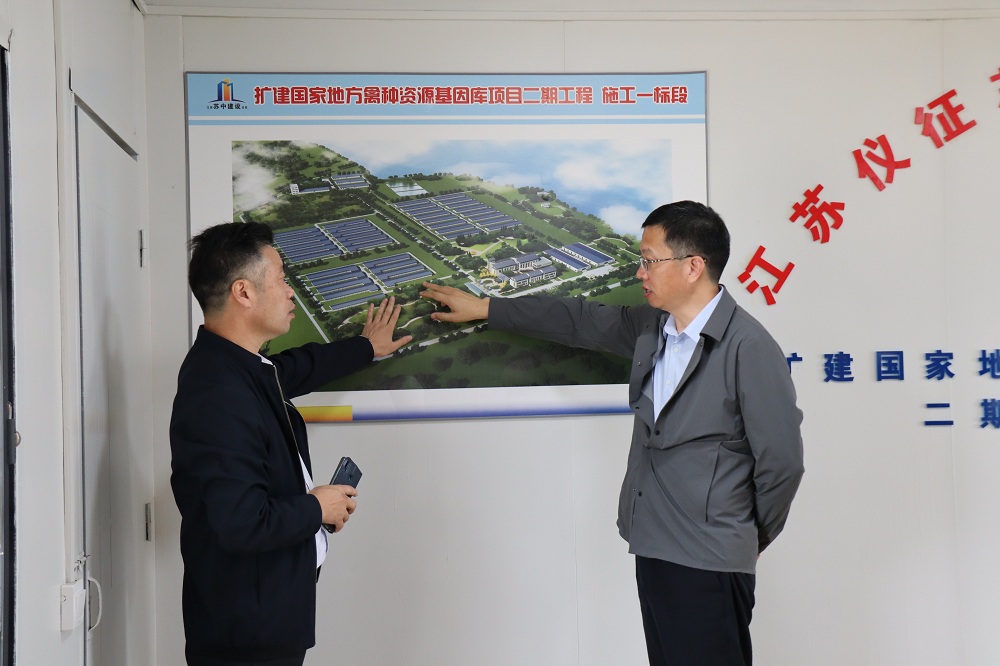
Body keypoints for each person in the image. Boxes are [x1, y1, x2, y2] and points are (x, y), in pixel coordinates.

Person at [420, 200, 803, 666]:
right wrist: (486, 307)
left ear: (693, 266)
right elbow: (576, 320)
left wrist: (746, 537)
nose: (640, 272)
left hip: (710, 557)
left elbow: (782, 462)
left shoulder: (749, 347)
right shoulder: (652, 328)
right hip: (654, 545)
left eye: (649, 260)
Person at [170, 221, 412, 666]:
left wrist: (365, 348)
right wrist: (316, 508)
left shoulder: (236, 367)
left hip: (263, 616)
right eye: (282, 279)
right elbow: (240, 521)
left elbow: (295, 368)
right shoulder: (217, 393)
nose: (290, 292)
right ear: (244, 292)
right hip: (246, 639)